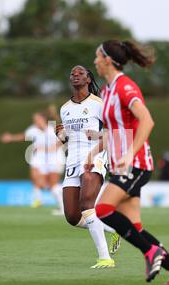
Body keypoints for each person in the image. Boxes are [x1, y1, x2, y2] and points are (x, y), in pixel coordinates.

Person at [86, 40, 169, 285]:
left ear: (108, 60)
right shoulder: (107, 91)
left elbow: (147, 121)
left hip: (137, 164)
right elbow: (113, 131)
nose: (94, 62)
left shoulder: (125, 87)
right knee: (135, 228)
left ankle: (151, 253)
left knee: (102, 209)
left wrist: (130, 153)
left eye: (97, 57)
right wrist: (93, 153)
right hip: (122, 166)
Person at [55, 65, 121, 269]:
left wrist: (98, 141)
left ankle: (105, 258)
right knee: (73, 217)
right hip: (72, 161)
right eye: (72, 73)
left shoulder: (99, 104)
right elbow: (67, 139)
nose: (75, 75)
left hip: (95, 157)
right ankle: (114, 229)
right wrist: (61, 136)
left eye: (80, 73)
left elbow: (113, 132)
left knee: (87, 205)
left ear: (88, 78)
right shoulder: (64, 109)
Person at [0, 112, 65, 214]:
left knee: (53, 185)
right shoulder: (33, 129)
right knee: (45, 184)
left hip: (57, 159)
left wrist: (49, 148)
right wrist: (11, 138)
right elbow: (23, 136)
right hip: (45, 161)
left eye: (37, 119)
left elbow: (63, 139)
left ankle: (64, 205)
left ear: (43, 119)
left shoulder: (52, 128)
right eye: (34, 119)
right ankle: (53, 201)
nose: (35, 121)